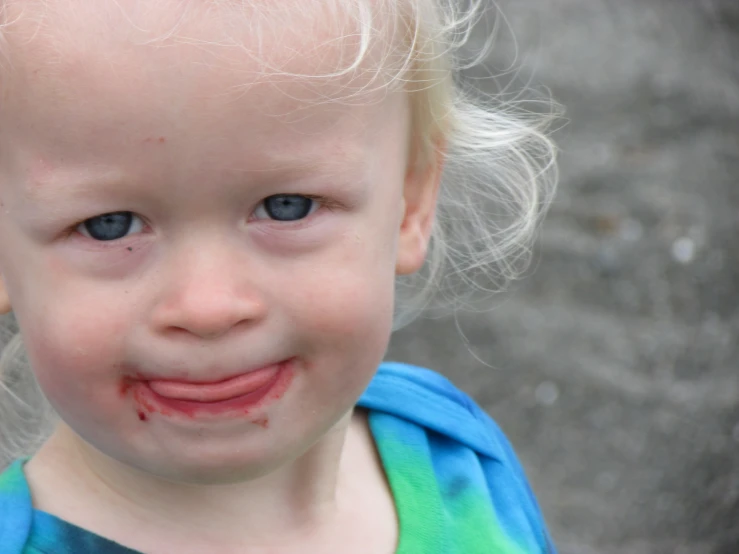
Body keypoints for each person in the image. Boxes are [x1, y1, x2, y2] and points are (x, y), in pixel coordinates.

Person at [0, 0, 558, 552]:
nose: (208, 308)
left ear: (410, 200)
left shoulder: (453, 452)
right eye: (108, 225)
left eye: (287, 205)